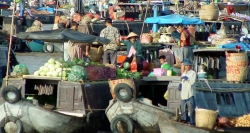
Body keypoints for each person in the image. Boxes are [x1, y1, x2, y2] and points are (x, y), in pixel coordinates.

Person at [180, 58, 196, 125]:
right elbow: (182, 82)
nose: (187, 67)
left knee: (191, 109)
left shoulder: (193, 73)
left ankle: (192, 122)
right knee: (183, 110)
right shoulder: (183, 73)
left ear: (191, 66)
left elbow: (192, 82)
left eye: (188, 65)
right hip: (183, 94)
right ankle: (185, 122)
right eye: (186, 65)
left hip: (190, 94)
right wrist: (180, 84)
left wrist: (187, 79)